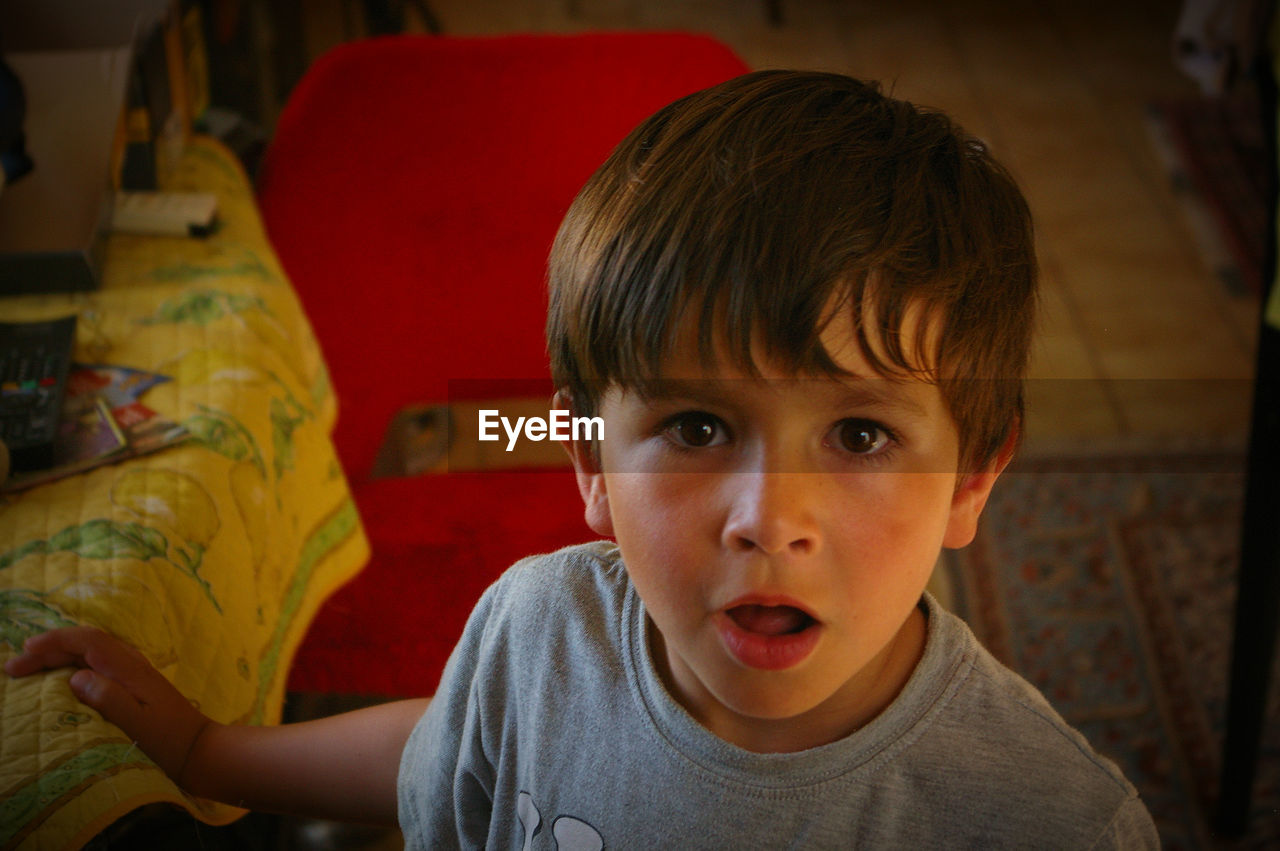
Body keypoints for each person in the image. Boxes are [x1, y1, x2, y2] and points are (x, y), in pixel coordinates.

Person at [4, 70, 1159, 848]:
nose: (769, 518)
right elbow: (466, 740)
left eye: (859, 434)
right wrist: (209, 748)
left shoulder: (1050, 818)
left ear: (970, 478)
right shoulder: (532, 626)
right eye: (698, 428)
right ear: (592, 462)